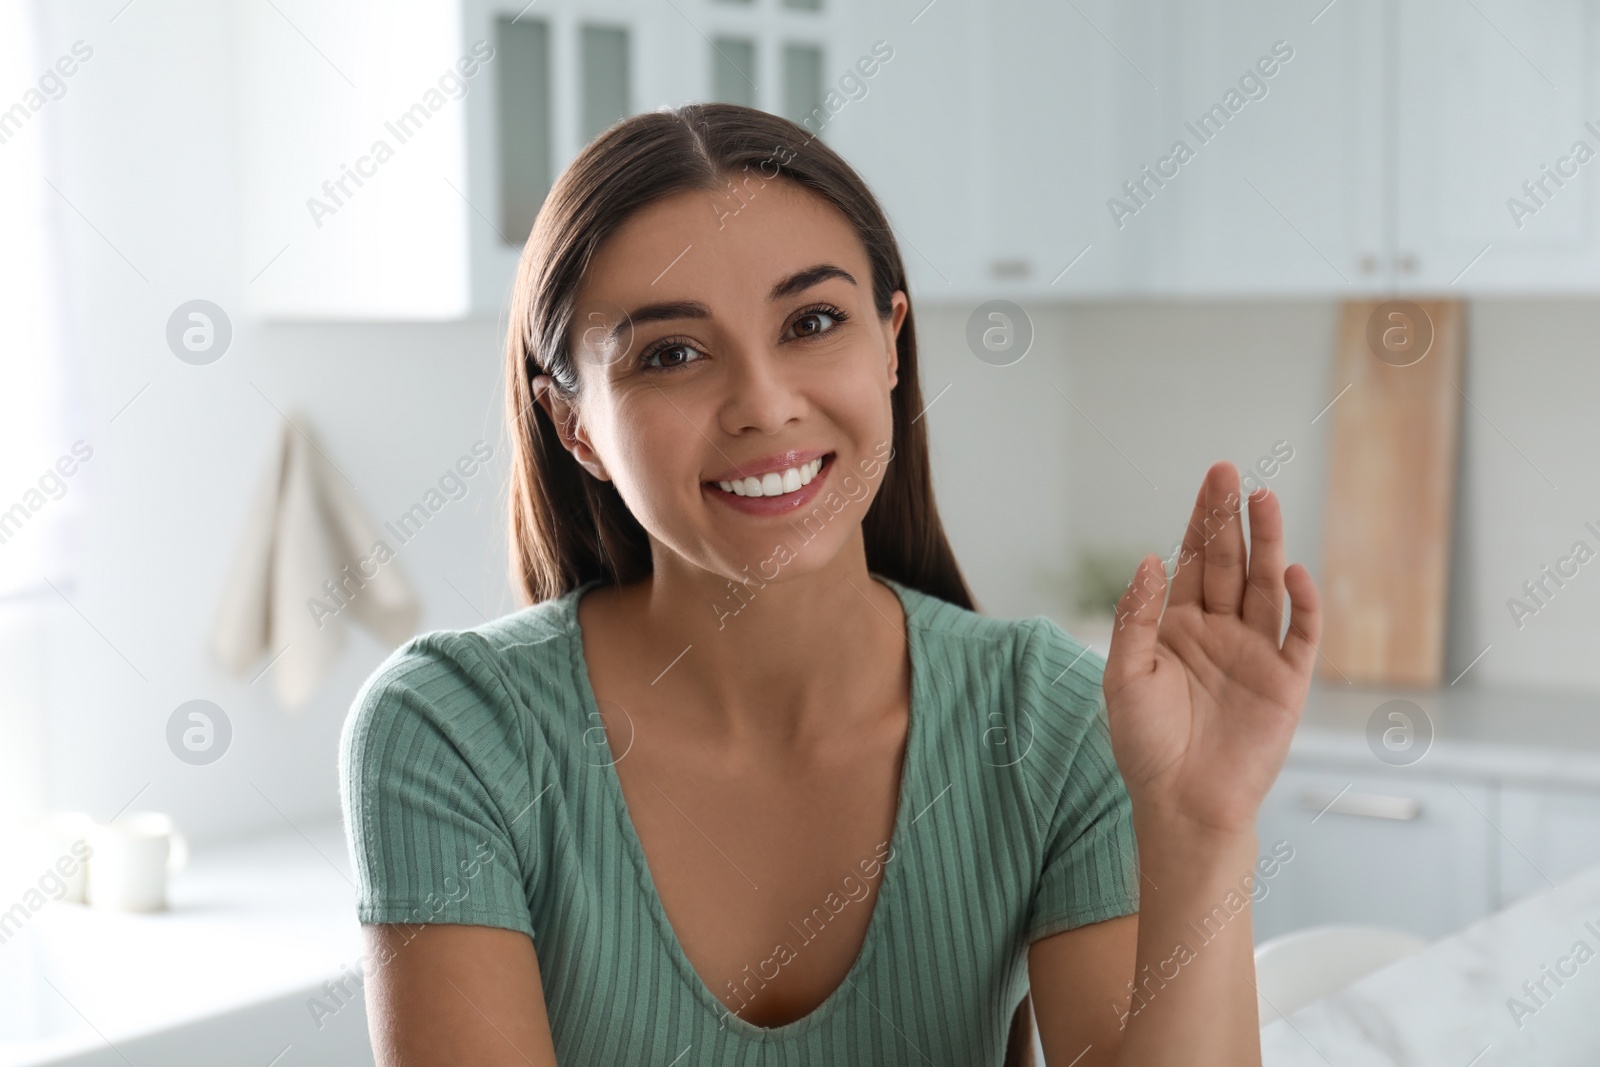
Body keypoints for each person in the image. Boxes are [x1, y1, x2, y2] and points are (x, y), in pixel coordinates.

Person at [339, 102, 1322, 1066]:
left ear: (889, 341)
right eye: (671, 353)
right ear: (574, 425)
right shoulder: (453, 733)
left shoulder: (1049, 721)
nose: (764, 403)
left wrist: (1199, 836)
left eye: (812, 320)